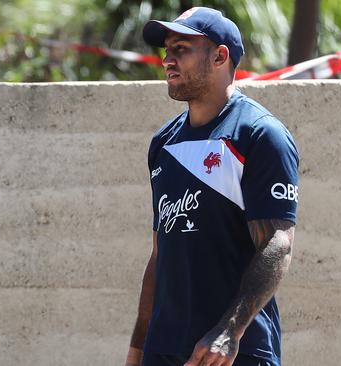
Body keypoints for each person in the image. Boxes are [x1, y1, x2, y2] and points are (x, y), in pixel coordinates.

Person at [126, 7, 299, 366]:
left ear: (220, 56)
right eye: (167, 51)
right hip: (165, 349)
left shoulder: (260, 135)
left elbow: (277, 243)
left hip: (233, 351)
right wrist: (138, 348)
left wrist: (229, 331)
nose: (168, 61)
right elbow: (160, 254)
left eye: (182, 49)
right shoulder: (164, 142)